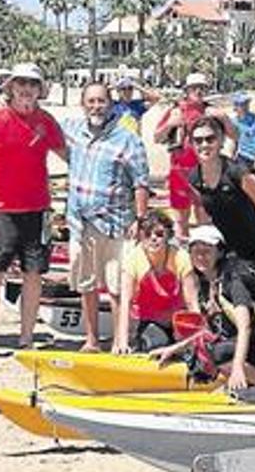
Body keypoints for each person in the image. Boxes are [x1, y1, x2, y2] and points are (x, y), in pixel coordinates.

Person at [0, 63, 67, 363]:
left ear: (40, 89)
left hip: (37, 210)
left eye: (32, 84)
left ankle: (26, 338)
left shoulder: (46, 121)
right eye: (20, 83)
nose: (26, 89)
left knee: (33, 274)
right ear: (11, 87)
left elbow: (71, 156)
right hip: (0, 211)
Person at [150, 225, 255, 390]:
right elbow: (212, 331)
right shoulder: (207, 283)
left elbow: (245, 327)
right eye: (196, 251)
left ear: (220, 252)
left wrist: (237, 369)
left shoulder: (234, 281)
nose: (201, 257)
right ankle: (253, 380)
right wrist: (175, 348)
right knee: (211, 347)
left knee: (217, 353)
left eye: (207, 251)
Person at [61, 82, 150, 353]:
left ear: (110, 104)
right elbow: (41, 129)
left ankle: (120, 339)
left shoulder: (127, 139)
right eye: (91, 101)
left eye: (101, 101)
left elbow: (141, 183)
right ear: (83, 104)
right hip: (81, 222)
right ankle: (91, 340)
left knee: (117, 285)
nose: (96, 106)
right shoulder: (73, 131)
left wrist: (140, 219)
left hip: (117, 223)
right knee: (86, 282)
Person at [154, 73, 234, 237]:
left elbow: (234, 135)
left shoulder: (212, 112)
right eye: (194, 87)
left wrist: (224, 119)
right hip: (180, 171)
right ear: (187, 90)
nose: (198, 91)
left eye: (202, 88)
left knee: (205, 220)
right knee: (180, 221)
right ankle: (183, 255)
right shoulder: (176, 110)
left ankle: (203, 255)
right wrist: (170, 124)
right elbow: (157, 137)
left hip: (207, 172)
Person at [188, 116, 255, 271]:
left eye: (210, 139)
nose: (204, 145)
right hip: (222, 248)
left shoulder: (237, 173)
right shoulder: (194, 178)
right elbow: (203, 213)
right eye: (198, 141)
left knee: (239, 290)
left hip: (250, 248)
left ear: (220, 141)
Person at [115, 211, 197, 354]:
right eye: (147, 234)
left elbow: (192, 302)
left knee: (187, 351)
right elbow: (125, 303)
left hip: (178, 320)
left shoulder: (181, 257)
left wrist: (196, 336)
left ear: (168, 235)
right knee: (157, 345)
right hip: (149, 320)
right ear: (141, 236)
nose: (153, 238)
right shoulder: (132, 259)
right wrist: (122, 341)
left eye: (159, 234)